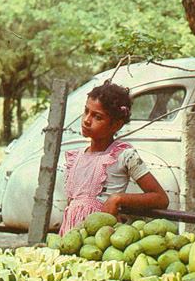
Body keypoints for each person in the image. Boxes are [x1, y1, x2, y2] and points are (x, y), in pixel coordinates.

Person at [59, 81, 169, 235]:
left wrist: (118, 199)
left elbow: (160, 198)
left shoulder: (124, 155)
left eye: (97, 117)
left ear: (116, 125)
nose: (86, 120)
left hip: (101, 238)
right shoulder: (76, 157)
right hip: (71, 235)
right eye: (86, 111)